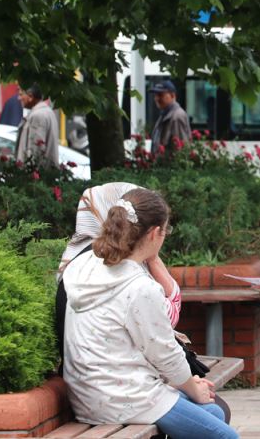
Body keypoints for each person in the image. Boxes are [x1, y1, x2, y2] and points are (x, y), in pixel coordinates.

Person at [62, 188, 239, 439]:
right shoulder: (140, 288)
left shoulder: (84, 265)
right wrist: (192, 388)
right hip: (125, 399)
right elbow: (164, 352)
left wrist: (190, 387)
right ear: (156, 233)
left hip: (91, 394)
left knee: (214, 414)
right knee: (226, 436)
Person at [15, 85, 59, 167]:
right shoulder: (47, 112)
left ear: (30, 96)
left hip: (37, 175)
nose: (19, 98)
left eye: (21, 94)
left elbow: (35, 150)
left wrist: (30, 174)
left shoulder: (38, 115)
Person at [150, 80, 191, 155]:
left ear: (172, 96)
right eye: (155, 95)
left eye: (160, 95)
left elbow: (180, 150)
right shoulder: (164, 114)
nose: (157, 99)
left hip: (170, 166)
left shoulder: (177, 116)